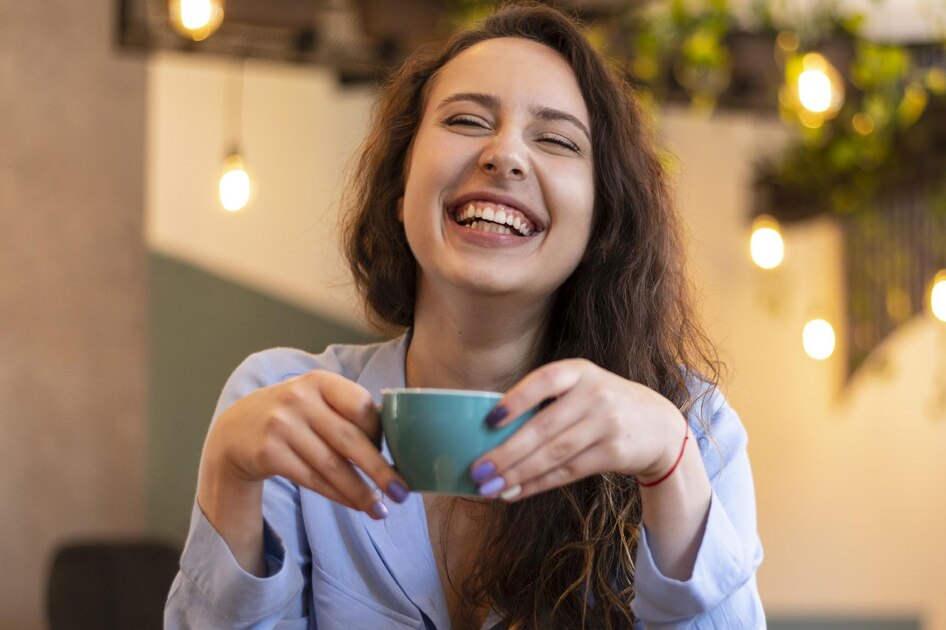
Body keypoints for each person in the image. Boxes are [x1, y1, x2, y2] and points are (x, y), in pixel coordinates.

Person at [164, 3, 763, 628]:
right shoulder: (279, 406)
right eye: (467, 120)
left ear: (602, 221)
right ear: (400, 192)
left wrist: (670, 468)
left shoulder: (694, 429)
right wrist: (227, 475)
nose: (505, 154)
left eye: (555, 139)